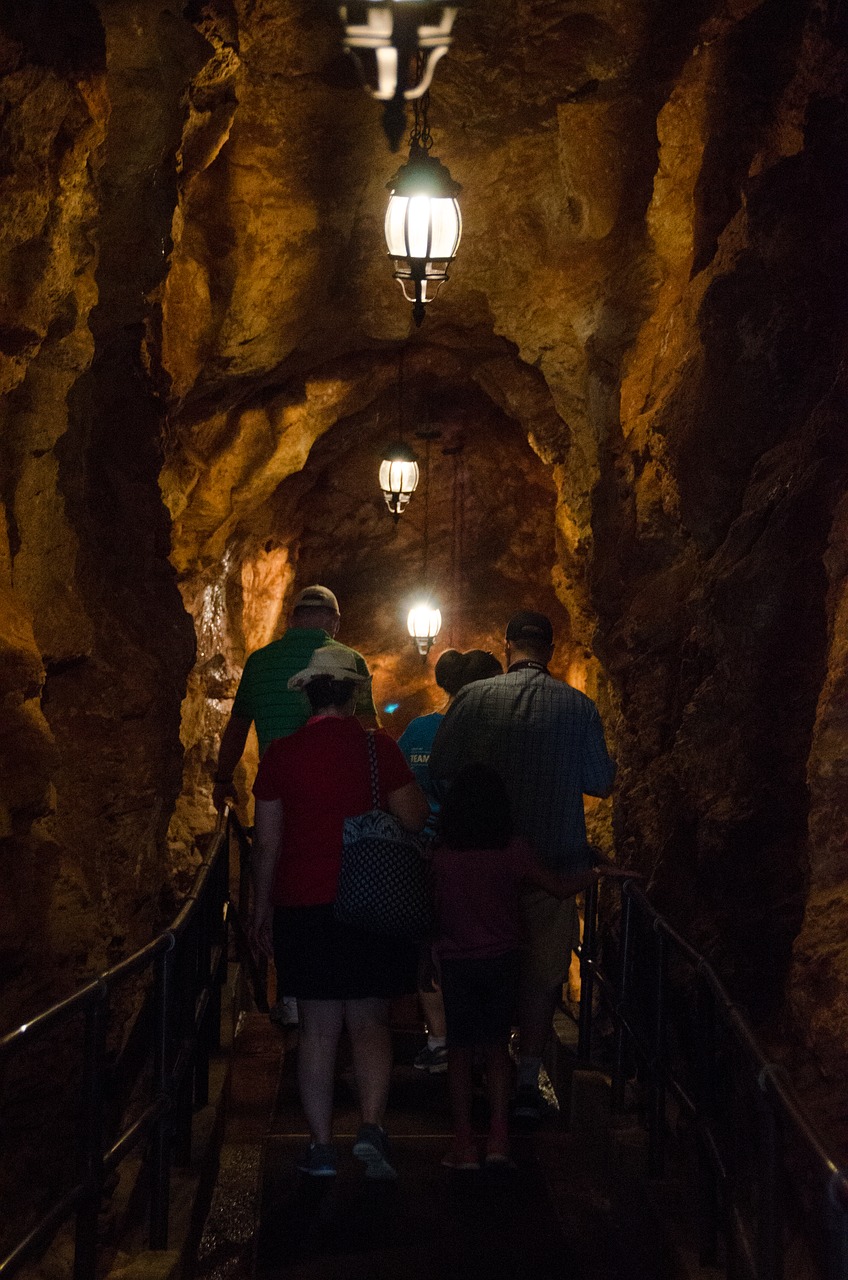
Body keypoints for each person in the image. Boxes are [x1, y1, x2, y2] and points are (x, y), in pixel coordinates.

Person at [429, 609, 616, 1121]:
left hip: (483, 861)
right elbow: (601, 781)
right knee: (540, 977)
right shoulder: (579, 707)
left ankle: (477, 1084)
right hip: (553, 865)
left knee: (480, 970)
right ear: (550, 650)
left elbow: (442, 767)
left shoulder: (472, 699)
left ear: (507, 644)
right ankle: (528, 1083)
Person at [250, 646, 430, 1180]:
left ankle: (321, 1146)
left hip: (303, 905)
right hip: (371, 901)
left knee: (318, 1030)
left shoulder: (281, 754)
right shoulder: (379, 750)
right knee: (371, 1020)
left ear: (307, 693)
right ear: (353, 693)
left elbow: (266, 842)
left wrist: (259, 910)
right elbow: (415, 818)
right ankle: (371, 1128)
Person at [433, 764, 634, 1169]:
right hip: (502, 961)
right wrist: (597, 871)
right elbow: (558, 887)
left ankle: (464, 1146)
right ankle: (499, 1142)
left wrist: (426, 961)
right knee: (494, 1049)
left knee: (459, 1052)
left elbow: (433, 915)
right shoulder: (514, 851)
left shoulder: (440, 857)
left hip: (457, 963)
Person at [213, 583, 378, 1027]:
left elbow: (237, 727)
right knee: (339, 886)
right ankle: (347, 992)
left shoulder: (260, 661)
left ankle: (291, 992)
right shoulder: (349, 662)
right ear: (333, 622)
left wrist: (222, 778)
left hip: (278, 789)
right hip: (339, 800)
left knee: (284, 883)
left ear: (291, 619)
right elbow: (368, 737)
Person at [398, 648, 503, 1074]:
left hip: (423, 851)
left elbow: (399, 784)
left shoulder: (419, 730)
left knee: (429, 946)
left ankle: (441, 1041)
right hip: (477, 853)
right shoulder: (489, 734)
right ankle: (478, 1045)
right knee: (476, 947)